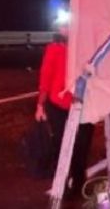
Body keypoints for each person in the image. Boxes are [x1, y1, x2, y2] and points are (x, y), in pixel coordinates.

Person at [32, 21, 92, 188]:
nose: (66, 29)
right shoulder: (54, 49)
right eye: (63, 26)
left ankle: (78, 182)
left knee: (81, 146)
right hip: (59, 105)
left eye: (68, 25)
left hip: (83, 104)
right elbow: (46, 77)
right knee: (61, 145)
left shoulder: (86, 48)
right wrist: (40, 105)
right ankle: (62, 183)